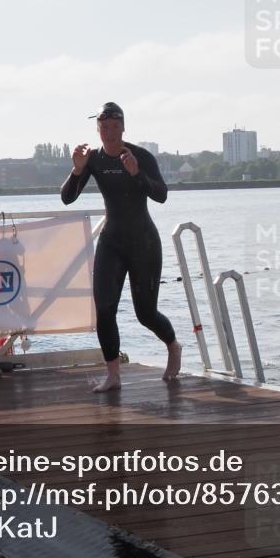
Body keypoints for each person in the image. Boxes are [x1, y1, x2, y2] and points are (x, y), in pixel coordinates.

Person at [61, 102, 181, 392]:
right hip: (111, 242)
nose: (109, 133)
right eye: (104, 127)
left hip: (144, 242)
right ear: (97, 129)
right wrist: (77, 171)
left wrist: (137, 173)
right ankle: (113, 375)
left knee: (145, 314)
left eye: (115, 127)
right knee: (104, 309)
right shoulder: (93, 159)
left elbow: (162, 195)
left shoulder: (139, 156)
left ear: (123, 127)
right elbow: (67, 198)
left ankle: (173, 346)